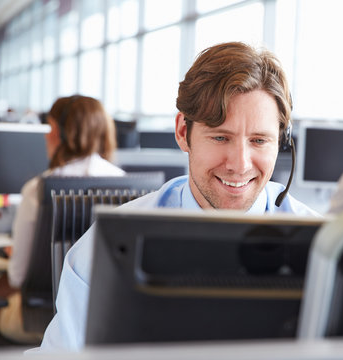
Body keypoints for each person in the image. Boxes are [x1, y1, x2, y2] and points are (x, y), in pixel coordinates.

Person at [37, 42, 319, 352]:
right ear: (183, 132)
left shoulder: (324, 249)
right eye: (221, 137)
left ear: (281, 142)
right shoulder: (101, 251)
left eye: (259, 140)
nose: (240, 164)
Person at [0, 95, 125, 344]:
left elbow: (18, 278)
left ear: (64, 134)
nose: (45, 136)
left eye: (50, 127)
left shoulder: (38, 188)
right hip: (101, 320)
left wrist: (18, 255)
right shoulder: (128, 184)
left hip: (41, 318)